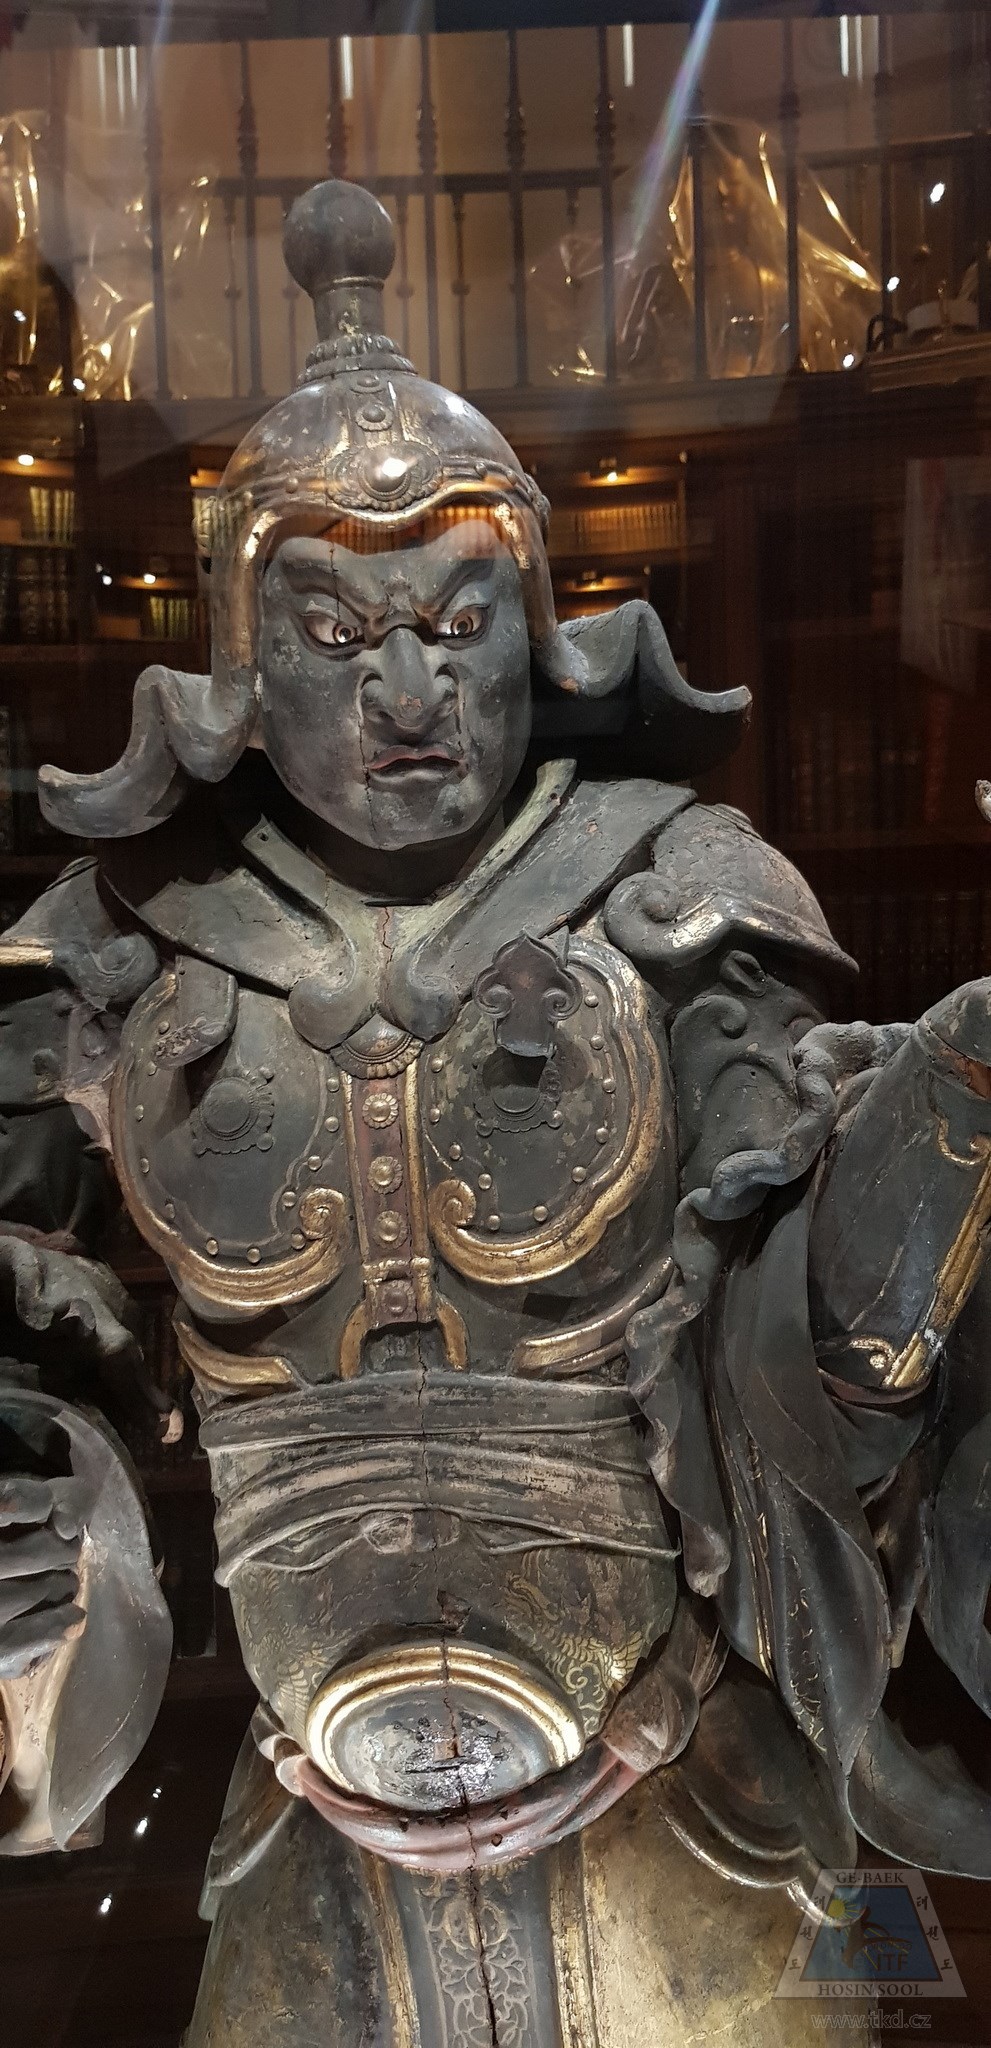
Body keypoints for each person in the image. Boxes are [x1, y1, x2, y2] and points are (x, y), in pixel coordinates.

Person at [1, 178, 989, 2045]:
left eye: (458, 623)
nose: (409, 692)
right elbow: (32, 1349)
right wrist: (49, 1549)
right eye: (333, 629)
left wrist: (933, 1144)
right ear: (240, 650)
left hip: (680, 1799)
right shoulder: (119, 954)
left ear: (537, 628)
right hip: (307, 1843)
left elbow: (800, 1378)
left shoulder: (681, 901)